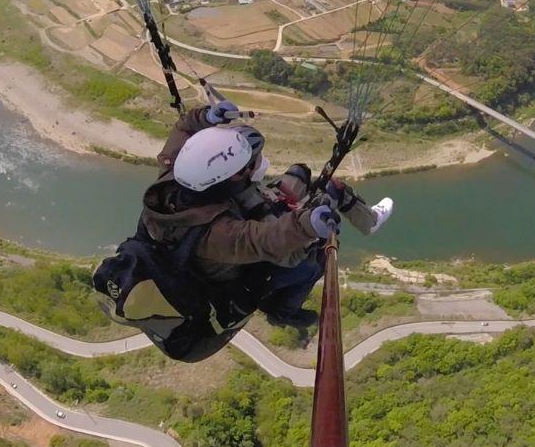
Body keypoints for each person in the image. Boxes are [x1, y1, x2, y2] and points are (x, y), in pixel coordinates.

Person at [139, 101, 394, 329]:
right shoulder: (216, 234)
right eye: (252, 161)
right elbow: (267, 241)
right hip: (244, 273)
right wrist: (306, 225)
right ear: (235, 176)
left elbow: (183, 130)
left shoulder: (177, 177)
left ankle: (363, 219)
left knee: (298, 174)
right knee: (312, 259)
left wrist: (206, 118)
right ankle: (283, 311)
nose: (258, 163)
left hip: (234, 216)